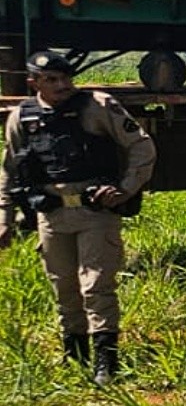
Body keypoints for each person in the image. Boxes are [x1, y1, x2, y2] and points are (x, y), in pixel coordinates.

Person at [0, 50, 156, 385]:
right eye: (52, 80)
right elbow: (9, 171)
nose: (62, 85)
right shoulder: (21, 118)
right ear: (34, 83)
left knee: (96, 286)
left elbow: (142, 147)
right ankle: (75, 358)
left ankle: (106, 364)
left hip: (94, 210)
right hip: (52, 214)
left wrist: (125, 188)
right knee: (64, 289)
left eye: (66, 78)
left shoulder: (96, 106)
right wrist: (5, 218)